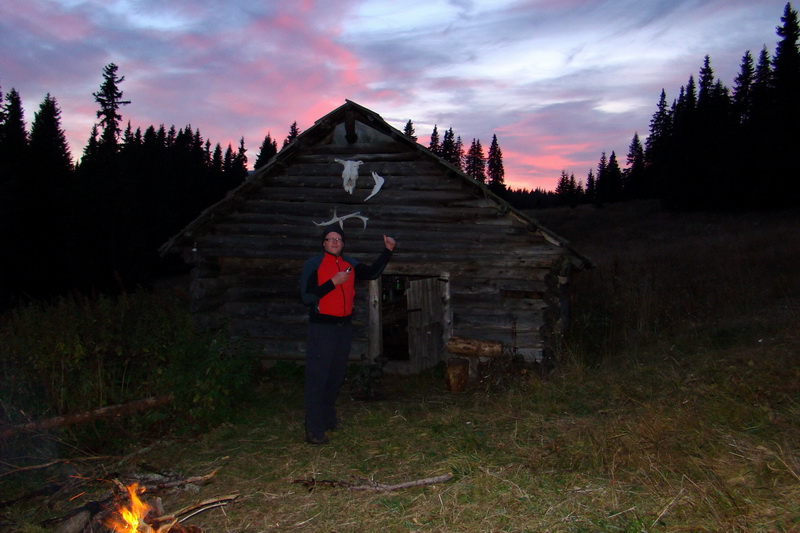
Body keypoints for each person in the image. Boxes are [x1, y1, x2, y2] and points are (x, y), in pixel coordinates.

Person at [300, 226, 396, 444]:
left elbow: (371, 273)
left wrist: (387, 251)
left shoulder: (349, 263)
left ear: (343, 244)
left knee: (336, 375)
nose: (335, 242)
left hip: (343, 328)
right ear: (323, 243)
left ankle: (327, 417)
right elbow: (306, 297)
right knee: (318, 376)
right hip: (322, 328)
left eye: (339, 239)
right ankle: (313, 428)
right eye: (330, 239)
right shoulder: (313, 264)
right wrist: (332, 283)